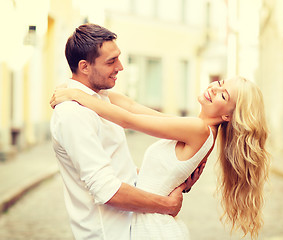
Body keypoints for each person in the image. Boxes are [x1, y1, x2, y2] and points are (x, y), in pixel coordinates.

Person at [51, 74, 270, 239]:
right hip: (147, 223)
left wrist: (77, 95)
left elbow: (129, 119)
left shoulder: (197, 129)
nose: (214, 89)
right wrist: (78, 86)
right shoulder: (195, 127)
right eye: (220, 83)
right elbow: (132, 106)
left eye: (223, 95)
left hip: (151, 227)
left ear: (227, 116)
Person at [50, 23, 204, 240]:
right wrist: (167, 205)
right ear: (84, 67)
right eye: (111, 61)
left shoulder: (101, 100)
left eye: (118, 58)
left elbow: (124, 172)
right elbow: (107, 189)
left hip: (134, 227)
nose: (121, 67)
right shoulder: (72, 115)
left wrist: (174, 177)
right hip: (112, 233)